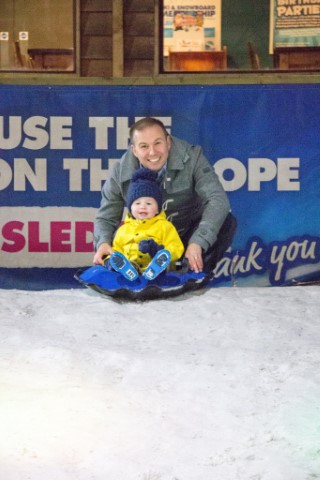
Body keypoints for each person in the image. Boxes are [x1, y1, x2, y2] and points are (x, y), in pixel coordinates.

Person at [93, 117, 236, 277]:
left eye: (158, 143)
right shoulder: (120, 170)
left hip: (184, 236)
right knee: (115, 242)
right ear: (134, 150)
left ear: (168, 142)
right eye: (144, 146)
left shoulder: (192, 157)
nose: (152, 152)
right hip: (143, 240)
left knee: (226, 223)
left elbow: (217, 199)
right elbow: (106, 217)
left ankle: (190, 274)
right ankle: (130, 273)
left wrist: (198, 242)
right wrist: (103, 243)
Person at [105, 167, 184, 281]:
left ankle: (156, 268)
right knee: (117, 260)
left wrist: (158, 250)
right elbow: (116, 249)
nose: (142, 206)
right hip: (132, 266)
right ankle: (126, 270)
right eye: (137, 203)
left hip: (154, 265)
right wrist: (109, 260)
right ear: (130, 208)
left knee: (161, 262)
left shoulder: (164, 226)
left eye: (149, 203)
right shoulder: (123, 230)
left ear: (157, 209)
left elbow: (176, 247)